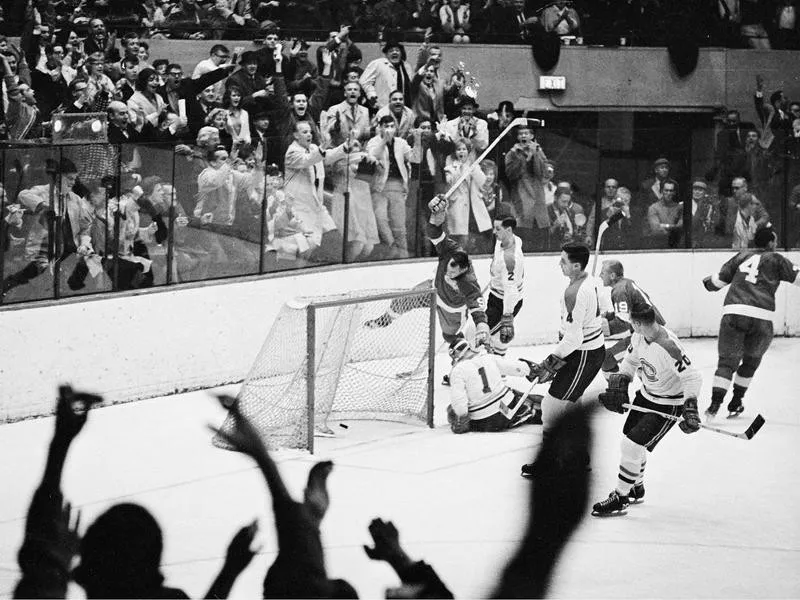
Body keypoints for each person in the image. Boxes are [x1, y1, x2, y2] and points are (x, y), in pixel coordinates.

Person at [363, 194, 490, 382]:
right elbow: (434, 231)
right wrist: (437, 213)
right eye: (449, 265)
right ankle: (385, 319)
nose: (449, 270)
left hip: (452, 309)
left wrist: (482, 326)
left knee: (450, 337)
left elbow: (477, 306)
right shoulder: (451, 250)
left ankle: (460, 368)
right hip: (433, 290)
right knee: (405, 299)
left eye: (455, 269)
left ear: (464, 269)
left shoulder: (468, 281)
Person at [591, 305, 702, 516]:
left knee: (631, 445)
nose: (630, 325)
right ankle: (636, 487)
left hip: (668, 404)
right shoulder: (639, 337)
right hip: (646, 396)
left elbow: (693, 377)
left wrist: (690, 408)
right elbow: (631, 361)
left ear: (638, 323)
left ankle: (620, 496)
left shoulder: (669, 346)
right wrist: (621, 381)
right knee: (631, 442)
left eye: (632, 322)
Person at [521, 242, 605, 478]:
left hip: (582, 355)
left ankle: (548, 462)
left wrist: (551, 361)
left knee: (550, 406)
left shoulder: (576, 292)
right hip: (587, 352)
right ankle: (578, 458)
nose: (560, 265)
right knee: (571, 404)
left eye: (564, 261)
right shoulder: (590, 281)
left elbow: (574, 338)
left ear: (577, 265)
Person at [702, 226, 800, 418]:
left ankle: (714, 406)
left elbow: (715, 283)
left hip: (734, 313)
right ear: (771, 243)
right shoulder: (777, 259)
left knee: (726, 362)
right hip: (762, 317)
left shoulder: (742, 256)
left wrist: (707, 282)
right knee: (751, 361)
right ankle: (736, 401)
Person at [446, 337, 542, 433]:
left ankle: (526, 412)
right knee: (518, 395)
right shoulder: (488, 358)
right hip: (507, 406)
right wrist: (531, 370)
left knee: (451, 409)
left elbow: (459, 401)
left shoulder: (457, 371)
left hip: (483, 422)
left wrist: (461, 418)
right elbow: (514, 367)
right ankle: (535, 410)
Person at [598, 260, 665, 377]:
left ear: (612, 275)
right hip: (653, 332)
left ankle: (617, 393)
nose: (600, 275)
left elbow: (622, 323)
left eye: (603, 273)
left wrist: (597, 330)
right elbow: (627, 313)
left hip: (649, 337)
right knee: (639, 365)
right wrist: (608, 316)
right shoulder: (627, 283)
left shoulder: (619, 290)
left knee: (607, 359)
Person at [487, 211, 525, 357]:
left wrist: (507, 318)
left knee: (478, 334)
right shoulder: (512, 239)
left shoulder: (509, 259)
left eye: (498, 229)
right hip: (496, 295)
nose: (494, 232)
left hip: (504, 302)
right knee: (497, 341)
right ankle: (498, 374)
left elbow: (511, 291)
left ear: (508, 230)